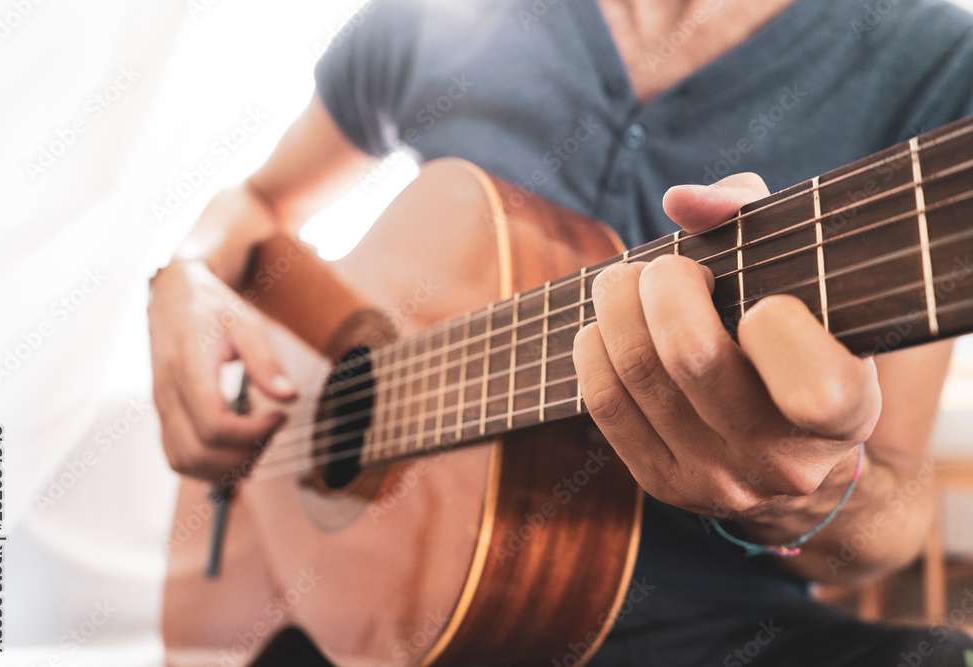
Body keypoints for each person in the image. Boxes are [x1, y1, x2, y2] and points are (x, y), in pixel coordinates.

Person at [147, 0, 973, 664]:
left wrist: (812, 493)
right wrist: (182, 279)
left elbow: (889, 519)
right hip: (371, 615)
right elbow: (254, 208)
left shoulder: (934, 60)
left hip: (714, 624)